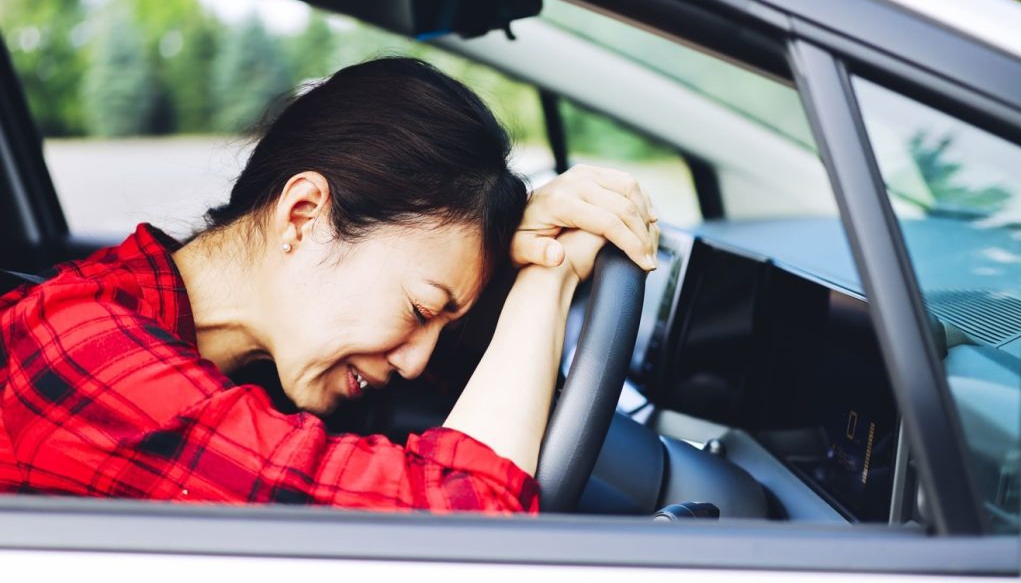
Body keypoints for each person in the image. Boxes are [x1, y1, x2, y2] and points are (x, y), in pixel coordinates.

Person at [0, 58, 658, 513]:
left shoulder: (240, 351)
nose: (418, 359)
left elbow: (464, 374)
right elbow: (461, 534)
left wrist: (521, 254)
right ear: (304, 215)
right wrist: (550, 275)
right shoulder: (81, 354)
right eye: (422, 308)